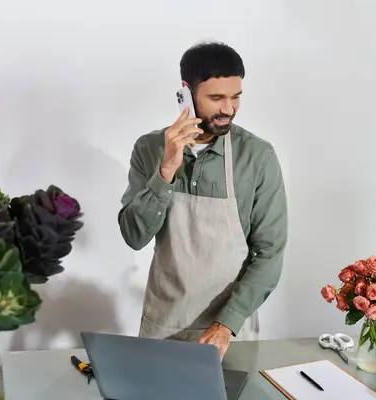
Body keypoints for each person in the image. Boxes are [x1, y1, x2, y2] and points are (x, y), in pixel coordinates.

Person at [118, 41, 288, 360]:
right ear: (185, 92)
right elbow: (134, 236)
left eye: (236, 96)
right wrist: (167, 168)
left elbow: (270, 253)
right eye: (216, 98)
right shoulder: (149, 149)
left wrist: (226, 324)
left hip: (228, 333)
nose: (228, 109)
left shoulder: (258, 157)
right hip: (162, 327)